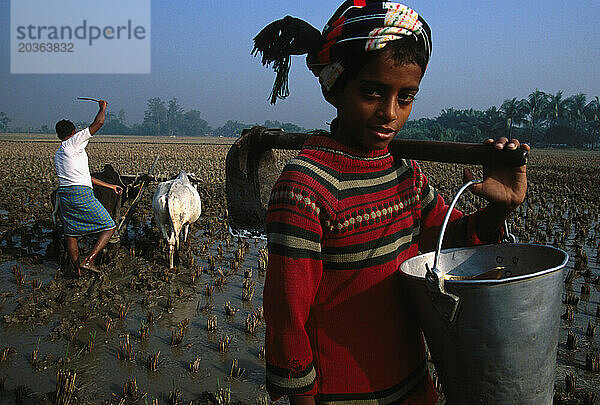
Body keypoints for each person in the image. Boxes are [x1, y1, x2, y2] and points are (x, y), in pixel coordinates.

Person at [252, 1, 529, 404]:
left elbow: (451, 245)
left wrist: (500, 209)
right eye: (372, 92)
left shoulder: (406, 173)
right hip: (340, 396)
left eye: (406, 97)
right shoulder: (304, 187)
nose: (389, 113)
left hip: (414, 387)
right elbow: (287, 319)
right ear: (336, 87)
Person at [54, 100, 122, 276]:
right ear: (74, 132)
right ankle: (89, 260)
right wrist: (102, 108)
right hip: (80, 193)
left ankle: (77, 270)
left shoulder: (60, 152)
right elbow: (98, 123)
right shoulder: (74, 142)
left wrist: (110, 186)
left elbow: (86, 177)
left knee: (71, 234)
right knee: (109, 226)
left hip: (64, 194)